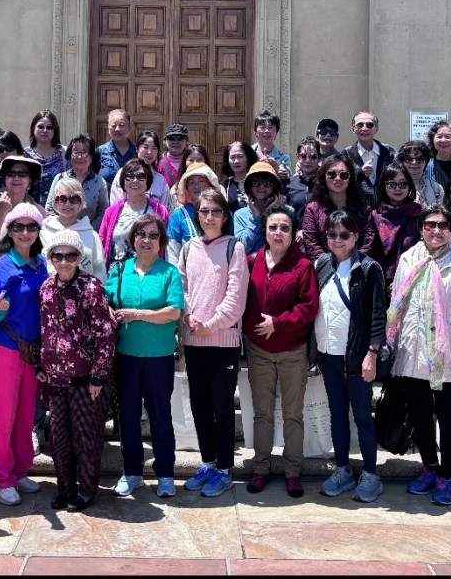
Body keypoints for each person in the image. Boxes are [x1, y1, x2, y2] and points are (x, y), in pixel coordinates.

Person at [388, 203, 451, 507]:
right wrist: (394, 343)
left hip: (447, 351)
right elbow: (398, 302)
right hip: (413, 349)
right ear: (421, 229)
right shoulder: (409, 258)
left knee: (448, 416)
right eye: (431, 225)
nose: (437, 230)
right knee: (420, 415)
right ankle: (429, 466)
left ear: (450, 230)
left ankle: (447, 475)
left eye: (443, 225)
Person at [106, 214, 184, 499]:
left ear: (161, 241)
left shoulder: (169, 272)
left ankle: (165, 474)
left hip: (158, 357)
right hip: (126, 356)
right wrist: (110, 312)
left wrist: (137, 314)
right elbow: (105, 302)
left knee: (160, 415)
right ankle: (132, 473)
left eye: (153, 235)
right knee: (128, 416)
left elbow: (173, 312)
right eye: (141, 234)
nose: (147, 240)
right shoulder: (120, 270)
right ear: (132, 239)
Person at [177, 189, 249, 499]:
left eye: (215, 211)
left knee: (222, 406)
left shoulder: (234, 247)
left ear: (224, 215)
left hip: (222, 341)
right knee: (199, 405)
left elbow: (236, 297)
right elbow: (181, 289)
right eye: (204, 211)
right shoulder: (188, 248)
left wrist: (212, 324)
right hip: (194, 340)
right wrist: (188, 316)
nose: (209, 217)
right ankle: (207, 462)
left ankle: (224, 469)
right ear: (197, 215)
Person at [243, 205, 319, 499]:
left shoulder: (303, 266)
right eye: (273, 227)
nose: (278, 233)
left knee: (292, 415)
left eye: (284, 228)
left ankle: (292, 472)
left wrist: (278, 323)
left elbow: (308, 307)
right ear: (264, 231)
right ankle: (261, 467)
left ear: (293, 233)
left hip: (292, 350)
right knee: (262, 413)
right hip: (259, 350)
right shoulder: (251, 261)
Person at [38, 229, 116, 512]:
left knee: (86, 438)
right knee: (59, 438)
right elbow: (45, 330)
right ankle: (65, 489)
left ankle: (86, 490)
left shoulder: (91, 287)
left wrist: (99, 375)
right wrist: (41, 365)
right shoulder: (46, 288)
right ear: (51, 258)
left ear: (79, 257)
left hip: (86, 379)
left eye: (70, 255)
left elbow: (105, 333)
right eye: (57, 255)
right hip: (56, 378)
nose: (64, 261)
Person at [314, 210, 385, 503]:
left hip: (357, 356)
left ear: (356, 236)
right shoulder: (321, 264)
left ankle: (371, 474)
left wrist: (372, 354)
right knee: (337, 415)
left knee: (363, 417)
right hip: (328, 354)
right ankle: (342, 469)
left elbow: (378, 314)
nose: (338, 240)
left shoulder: (368, 268)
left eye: (344, 234)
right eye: (332, 234)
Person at [0, 203, 48, 506]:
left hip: (32, 350)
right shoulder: (2, 264)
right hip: (7, 348)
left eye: (31, 227)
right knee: (4, 414)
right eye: (18, 227)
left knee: (26, 413)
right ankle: (3, 477)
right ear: (10, 232)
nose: (25, 232)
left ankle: (21, 468)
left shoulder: (41, 263)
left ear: (38, 231)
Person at [362, 161, 422, 295]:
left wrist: (404, 280)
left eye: (403, 184)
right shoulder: (375, 216)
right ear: (383, 186)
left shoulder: (418, 215)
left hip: (414, 283)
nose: (397, 188)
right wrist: (386, 282)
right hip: (381, 285)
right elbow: (372, 252)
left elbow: (423, 252)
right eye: (391, 184)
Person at [98, 160, 170, 269]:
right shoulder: (111, 211)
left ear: (148, 181)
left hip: (151, 273)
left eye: (141, 177)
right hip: (117, 273)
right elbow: (102, 243)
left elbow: (166, 246)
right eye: (129, 176)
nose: (135, 180)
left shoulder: (159, 211)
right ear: (123, 181)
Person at [301, 154, 371, 263]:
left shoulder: (363, 209)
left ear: (350, 179)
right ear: (324, 177)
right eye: (332, 174)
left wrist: (354, 265)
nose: (338, 179)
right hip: (322, 268)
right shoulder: (312, 209)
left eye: (344, 175)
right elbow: (311, 243)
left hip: (357, 267)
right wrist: (327, 266)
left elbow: (368, 240)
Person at [41, 177, 107, 282]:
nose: (68, 203)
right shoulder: (42, 233)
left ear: (81, 203)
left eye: (74, 199)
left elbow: (100, 271)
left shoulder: (92, 235)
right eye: (62, 199)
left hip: (85, 291)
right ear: (54, 203)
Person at [0, 155, 46, 249]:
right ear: (4, 178)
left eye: (22, 174)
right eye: (11, 174)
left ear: (30, 179)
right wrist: (1, 214)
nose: (16, 178)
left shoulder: (39, 211)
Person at [47, 134, 109, 230]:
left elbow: (103, 212)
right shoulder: (60, 178)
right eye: (75, 152)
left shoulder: (100, 182)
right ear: (70, 155)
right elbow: (49, 208)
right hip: (60, 233)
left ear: (91, 157)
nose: (80, 156)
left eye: (84, 152)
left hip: (88, 233)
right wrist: (62, 230)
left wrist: (86, 230)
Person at [166, 164, 221, 264]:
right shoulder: (179, 215)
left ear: (210, 184)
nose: (196, 186)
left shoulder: (222, 212)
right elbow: (172, 252)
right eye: (191, 182)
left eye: (201, 181)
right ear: (186, 188)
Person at [342, 111, 396, 207]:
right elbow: (341, 181)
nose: (364, 128)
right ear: (353, 129)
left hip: (387, 209)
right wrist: (360, 172)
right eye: (360, 125)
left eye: (369, 125)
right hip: (358, 210)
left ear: (376, 129)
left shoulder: (389, 152)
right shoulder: (346, 154)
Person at [109, 130, 173, 209]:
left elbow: (163, 210)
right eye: (145, 147)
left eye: (154, 148)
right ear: (137, 148)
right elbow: (116, 205)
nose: (149, 152)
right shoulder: (123, 174)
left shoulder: (160, 180)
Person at [234, 161, 285, 255]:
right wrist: (256, 219)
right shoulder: (240, 215)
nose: (261, 186)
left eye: (267, 183)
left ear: (274, 186)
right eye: (256, 182)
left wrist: (272, 213)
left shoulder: (286, 212)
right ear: (250, 186)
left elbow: (285, 245)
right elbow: (242, 248)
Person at [24, 110, 66, 206]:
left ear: (55, 130)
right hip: (31, 209)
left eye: (49, 127)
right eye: (41, 126)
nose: (45, 130)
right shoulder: (25, 154)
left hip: (58, 209)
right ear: (33, 128)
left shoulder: (63, 152)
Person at [398, 139, 444, 207]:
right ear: (402, 162)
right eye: (409, 159)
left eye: (419, 159)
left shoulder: (437, 189)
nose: (414, 162)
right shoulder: (393, 187)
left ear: (426, 161)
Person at [97, 108, 137, 186]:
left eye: (121, 125)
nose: (117, 129)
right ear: (108, 127)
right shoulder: (100, 152)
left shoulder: (137, 152)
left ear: (129, 127)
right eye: (113, 125)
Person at [0, 131, 26, 201]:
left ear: (18, 150)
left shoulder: (28, 175)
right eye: (0, 149)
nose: (5, 152)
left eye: (9, 148)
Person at [287, 137, 321, 224]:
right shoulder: (289, 183)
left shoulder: (326, 182)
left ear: (319, 158)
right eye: (303, 156)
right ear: (298, 157)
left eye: (313, 157)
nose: (308, 160)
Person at [252, 109, 291, 183]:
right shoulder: (247, 153)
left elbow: (287, 179)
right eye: (262, 127)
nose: (267, 131)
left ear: (276, 132)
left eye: (270, 127)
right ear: (256, 132)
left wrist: (278, 170)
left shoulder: (283, 158)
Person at [219, 140, 258, 211]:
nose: (236, 161)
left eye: (240, 156)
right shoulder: (224, 186)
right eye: (232, 157)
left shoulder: (258, 183)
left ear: (248, 158)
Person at [157, 124, 189, 189]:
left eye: (180, 138)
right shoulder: (157, 164)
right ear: (165, 141)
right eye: (171, 138)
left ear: (186, 142)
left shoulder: (192, 163)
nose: (176, 142)